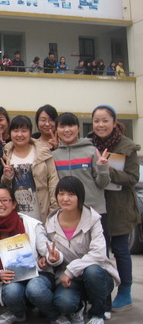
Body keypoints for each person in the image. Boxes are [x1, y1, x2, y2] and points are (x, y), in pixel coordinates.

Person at [0, 185, 66, 324]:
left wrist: (52, 258)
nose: (0, 204)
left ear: (14, 204)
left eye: (5, 200)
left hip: (38, 274)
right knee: (12, 292)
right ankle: (18, 314)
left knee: (35, 289)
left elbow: (48, 251)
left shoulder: (31, 224)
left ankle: (55, 315)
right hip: (10, 278)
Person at [46, 176, 120, 324]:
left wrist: (71, 270)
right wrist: (51, 258)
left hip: (96, 275)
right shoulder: (50, 223)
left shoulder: (93, 219)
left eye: (71, 194)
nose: (65, 198)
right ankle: (79, 306)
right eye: (61, 194)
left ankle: (97, 313)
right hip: (68, 279)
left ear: (80, 197)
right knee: (63, 303)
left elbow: (98, 254)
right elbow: (50, 253)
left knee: (93, 271)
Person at [89, 104, 140, 312]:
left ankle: (125, 291)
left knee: (120, 250)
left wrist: (106, 170)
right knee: (99, 252)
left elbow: (133, 178)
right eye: (96, 121)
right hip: (96, 204)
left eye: (105, 120)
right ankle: (102, 293)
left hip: (119, 206)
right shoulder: (88, 143)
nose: (100, 125)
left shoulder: (127, 146)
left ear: (114, 122)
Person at [53, 112, 110, 222]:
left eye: (71, 125)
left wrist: (102, 168)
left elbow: (103, 184)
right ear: (56, 130)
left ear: (78, 128)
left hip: (94, 212)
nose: (67, 130)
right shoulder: (54, 156)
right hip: (67, 214)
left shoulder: (91, 151)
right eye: (62, 126)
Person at [0, 115, 59, 221]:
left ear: (30, 132)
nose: (19, 135)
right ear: (10, 133)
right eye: (15, 131)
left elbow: (53, 181)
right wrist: (7, 177)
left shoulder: (43, 152)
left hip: (42, 212)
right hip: (15, 215)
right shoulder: (5, 154)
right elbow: (3, 187)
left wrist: (54, 209)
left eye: (24, 131)